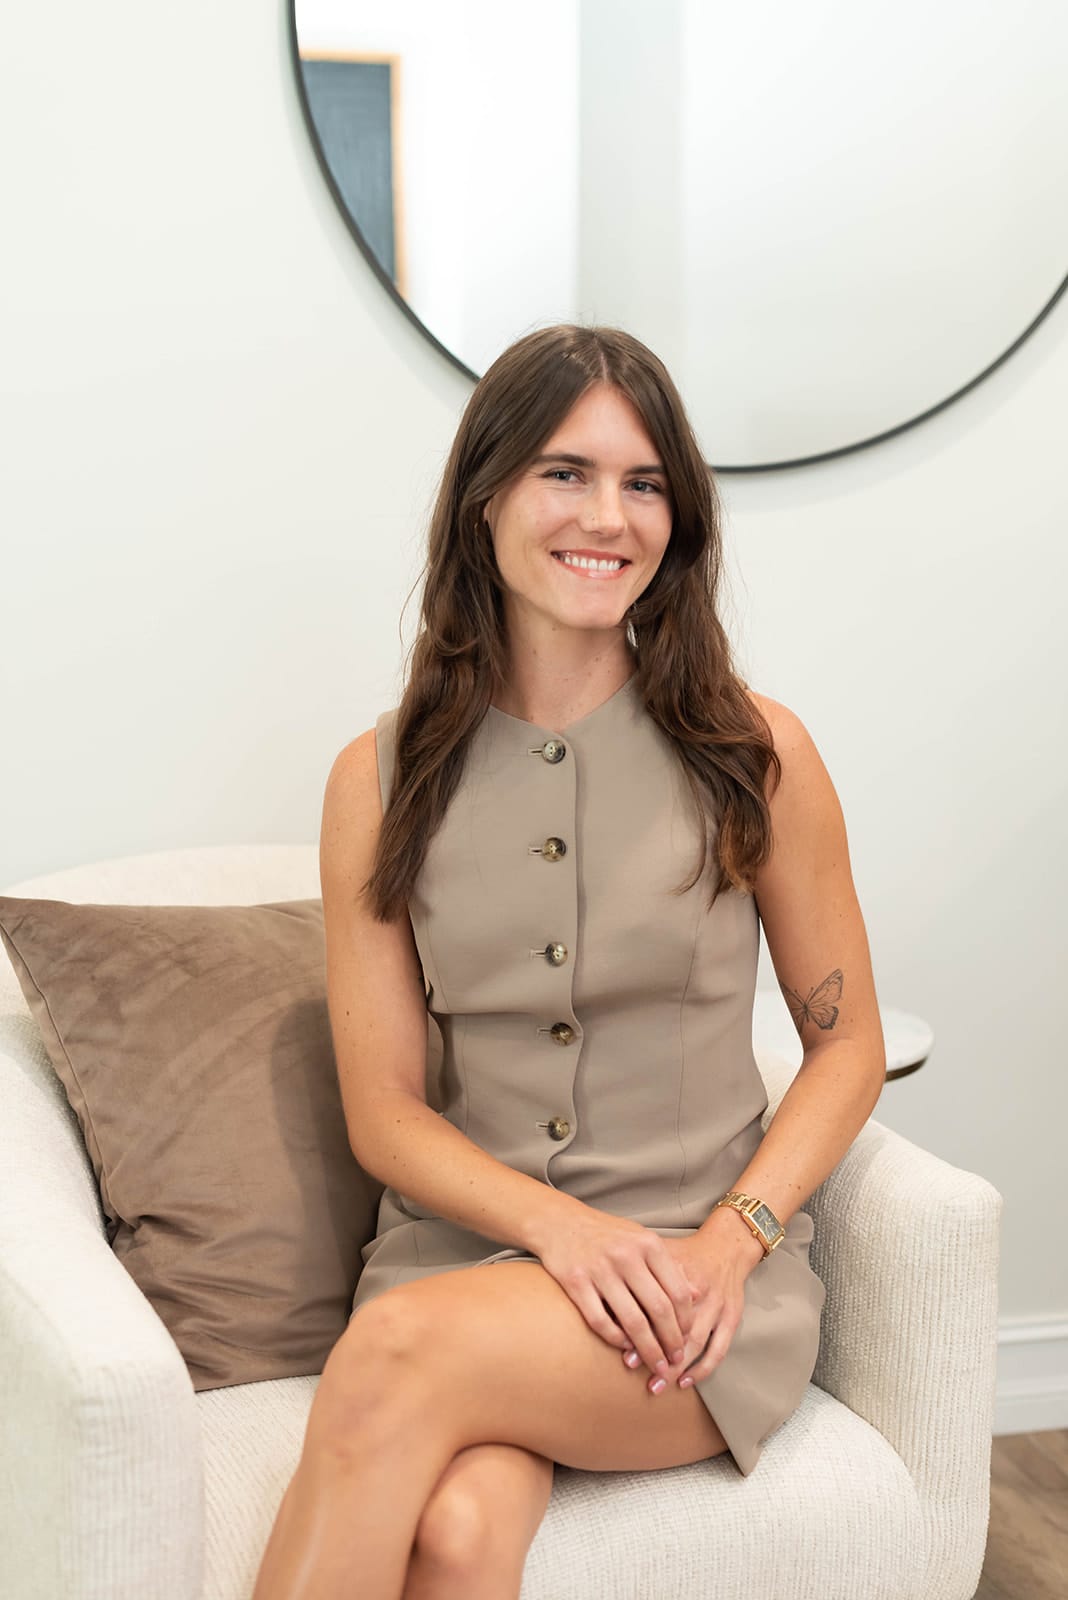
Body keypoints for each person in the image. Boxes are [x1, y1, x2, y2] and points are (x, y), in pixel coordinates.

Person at [251, 324, 887, 1599]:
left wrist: (733, 1241)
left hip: (690, 1279)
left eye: (644, 483)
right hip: (461, 1262)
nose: (608, 516)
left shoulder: (755, 753)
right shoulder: (375, 782)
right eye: (565, 472)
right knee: (459, 1532)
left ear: (677, 519)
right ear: (485, 498)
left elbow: (848, 1045)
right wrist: (561, 1232)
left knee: (389, 1361)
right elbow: (384, 1111)